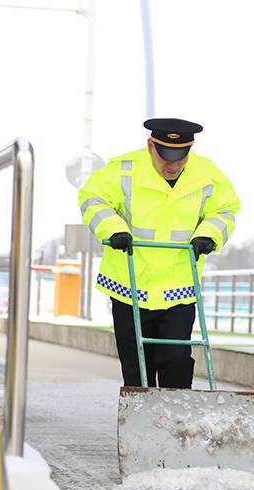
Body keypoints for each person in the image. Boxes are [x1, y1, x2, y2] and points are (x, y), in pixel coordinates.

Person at [79, 118, 240, 388]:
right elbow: (93, 198)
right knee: (137, 366)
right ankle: (140, 424)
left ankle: (175, 420)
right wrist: (113, 229)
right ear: (151, 146)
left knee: (175, 357)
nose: (173, 165)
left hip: (178, 286)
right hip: (129, 285)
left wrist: (207, 235)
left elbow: (224, 210)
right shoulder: (123, 170)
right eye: (166, 156)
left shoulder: (208, 175)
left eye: (180, 157)